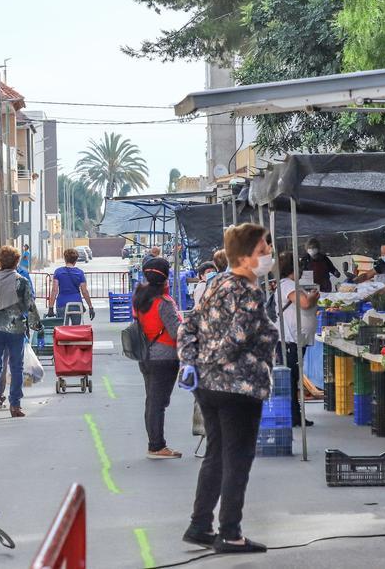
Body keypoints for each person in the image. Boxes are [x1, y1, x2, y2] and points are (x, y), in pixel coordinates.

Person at [178, 223, 279, 554]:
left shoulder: (215, 282)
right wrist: (214, 358)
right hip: (238, 387)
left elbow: (189, 324)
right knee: (238, 458)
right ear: (247, 257)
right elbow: (238, 337)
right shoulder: (250, 292)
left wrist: (192, 361)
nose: (268, 256)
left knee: (216, 454)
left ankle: (199, 524)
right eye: (263, 251)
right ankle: (230, 532)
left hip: (207, 386)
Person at [0, 245, 42, 419]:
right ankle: (15, 405)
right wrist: (36, 325)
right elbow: (30, 305)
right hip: (15, 328)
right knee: (16, 366)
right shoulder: (22, 281)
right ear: (16, 262)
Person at [132, 257, 183, 460]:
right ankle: (156, 446)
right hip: (165, 357)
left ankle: (154, 443)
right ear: (166, 278)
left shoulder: (140, 297)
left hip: (145, 355)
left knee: (152, 401)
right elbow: (176, 332)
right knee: (158, 403)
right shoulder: (165, 303)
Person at [277, 251, 318, 428]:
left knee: (294, 377)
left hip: (295, 339)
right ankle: (294, 415)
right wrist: (313, 297)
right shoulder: (287, 285)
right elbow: (304, 304)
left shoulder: (290, 285)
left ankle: (295, 413)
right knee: (292, 377)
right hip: (290, 339)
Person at [46, 248, 94, 324]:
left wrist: (51, 307)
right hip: (76, 304)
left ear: (65, 258)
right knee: (76, 330)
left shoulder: (58, 272)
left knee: (63, 330)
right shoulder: (80, 273)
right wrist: (90, 307)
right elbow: (84, 291)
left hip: (62, 304)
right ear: (76, 260)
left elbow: (54, 290)